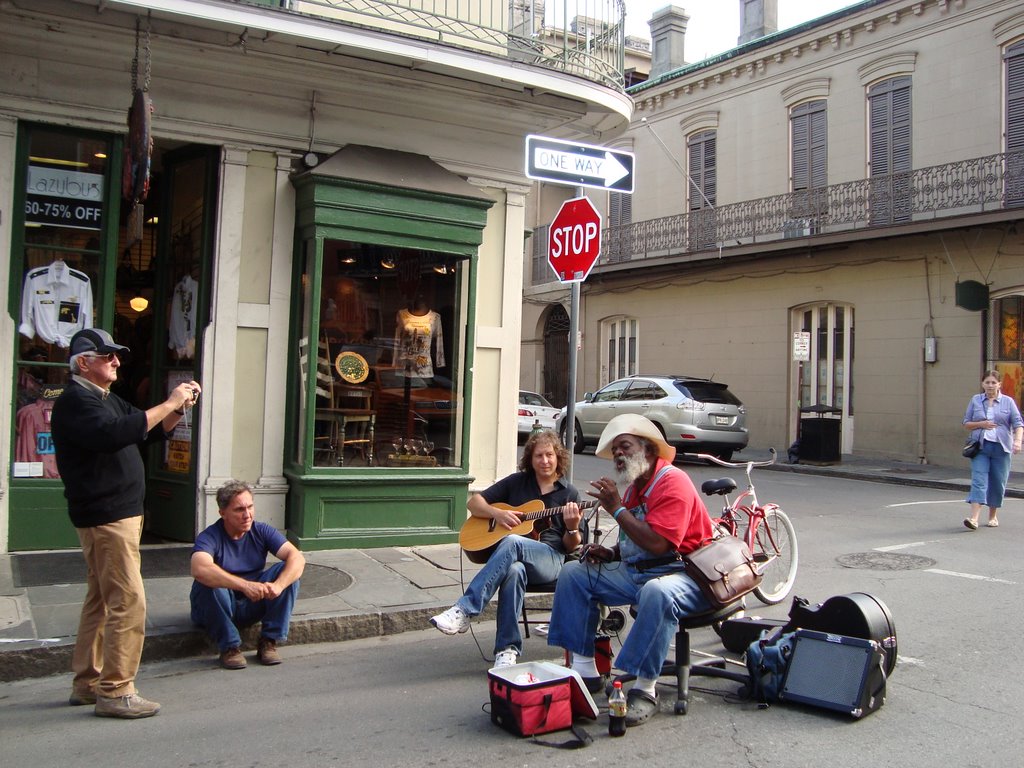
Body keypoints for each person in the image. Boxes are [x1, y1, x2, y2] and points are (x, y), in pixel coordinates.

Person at [51, 328, 200, 719]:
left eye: (117, 355)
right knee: (128, 601)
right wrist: (169, 400)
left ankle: (88, 683)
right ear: (84, 363)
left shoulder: (102, 398)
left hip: (116, 515)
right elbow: (116, 434)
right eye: (107, 356)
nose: (117, 362)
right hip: (107, 516)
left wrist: (178, 409)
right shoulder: (76, 401)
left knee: (101, 600)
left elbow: (143, 431)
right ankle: (116, 691)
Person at [546, 414, 714, 728]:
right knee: (574, 573)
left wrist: (616, 509)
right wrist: (610, 551)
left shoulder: (673, 481)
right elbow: (635, 538)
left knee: (657, 592)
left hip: (685, 574)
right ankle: (585, 671)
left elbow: (660, 544)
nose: (619, 455)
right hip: (640, 571)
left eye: (625, 447)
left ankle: (645, 688)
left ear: (648, 451)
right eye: (615, 451)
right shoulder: (636, 484)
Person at [430, 429, 583, 668]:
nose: (544, 461)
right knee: (513, 571)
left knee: (512, 541)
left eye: (549, 455)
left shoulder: (569, 493)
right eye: (539, 456)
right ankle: (507, 649)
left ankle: (464, 609)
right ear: (530, 460)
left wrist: (572, 528)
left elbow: (570, 546)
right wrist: (497, 513)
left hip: (550, 559)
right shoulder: (517, 483)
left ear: (558, 457)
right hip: (517, 558)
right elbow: (474, 502)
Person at [190, 480, 306, 669]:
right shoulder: (210, 537)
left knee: (288, 574)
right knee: (207, 581)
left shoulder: (261, 530)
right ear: (223, 513)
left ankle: (269, 641)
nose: (247, 515)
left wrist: (278, 586)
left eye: (250, 507)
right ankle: (229, 647)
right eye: (239, 510)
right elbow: (199, 568)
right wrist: (245, 585)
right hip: (217, 606)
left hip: (251, 603)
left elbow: (297, 558)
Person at [962, 369, 1023, 530]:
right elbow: (966, 423)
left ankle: (992, 515)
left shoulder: (1008, 402)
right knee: (979, 481)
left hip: (1001, 448)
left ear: (999, 385)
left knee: (997, 482)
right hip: (980, 447)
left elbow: (1018, 424)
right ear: (982, 384)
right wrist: (981, 424)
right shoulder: (975, 400)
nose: (990, 385)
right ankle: (974, 518)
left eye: (993, 383)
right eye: (987, 382)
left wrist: (1017, 441)